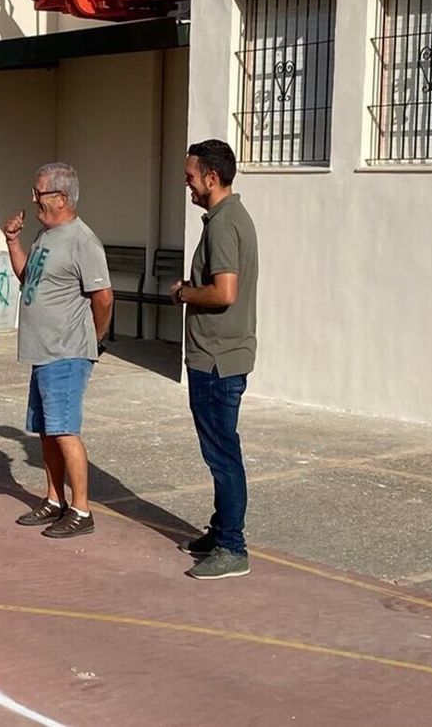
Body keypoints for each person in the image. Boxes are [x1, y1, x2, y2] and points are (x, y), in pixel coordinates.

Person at [1, 161, 113, 539]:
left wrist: (93, 340)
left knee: (65, 431)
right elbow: (26, 277)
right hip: (42, 352)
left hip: (66, 352)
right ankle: (54, 499)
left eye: (39, 193)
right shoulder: (45, 236)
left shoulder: (83, 240)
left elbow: (104, 297)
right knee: (47, 432)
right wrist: (13, 242)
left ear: (61, 198)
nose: (33, 199)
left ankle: (81, 509)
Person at [169, 139, 258, 580]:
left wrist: (186, 293)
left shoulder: (224, 224)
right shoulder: (227, 219)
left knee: (222, 454)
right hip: (220, 356)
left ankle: (232, 546)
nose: (187, 183)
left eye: (190, 176)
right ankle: (221, 530)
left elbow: (224, 292)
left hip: (217, 360)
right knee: (220, 451)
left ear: (211, 177)